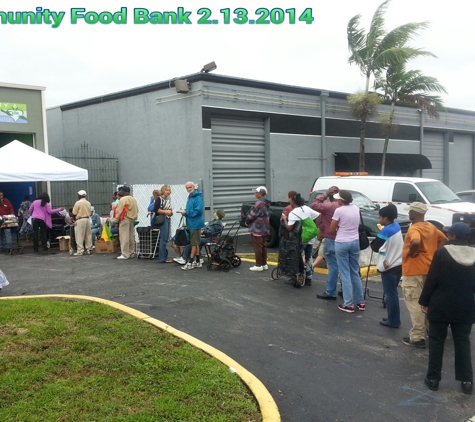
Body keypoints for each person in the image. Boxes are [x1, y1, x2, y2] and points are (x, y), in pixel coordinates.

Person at [419, 222, 475, 395]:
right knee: (463, 341)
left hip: (441, 304)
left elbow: (432, 280)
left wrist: (425, 301)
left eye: (449, 234)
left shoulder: (442, 253)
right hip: (465, 306)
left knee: (436, 341)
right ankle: (467, 381)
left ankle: (434, 379)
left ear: (453, 237)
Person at [401, 202, 446, 349]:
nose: (409, 214)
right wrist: (435, 254)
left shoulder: (415, 228)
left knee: (415, 303)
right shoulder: (431, 227)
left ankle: (417, 336)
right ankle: (432, 331)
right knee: (427, 303)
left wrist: (413, 252)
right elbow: (443, 238)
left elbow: (415, 241)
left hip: (414, 270)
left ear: (415, 213)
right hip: (429, 269)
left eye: (410, 212)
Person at [330, 190, 365, 313]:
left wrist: (339, 228)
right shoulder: (356, 208)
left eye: (338, 199)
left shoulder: (339, 211)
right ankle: (361, 302)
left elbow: (331, 228)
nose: (336, 201)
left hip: (342, 242)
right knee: (354, 272)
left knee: (345, 273)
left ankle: (348, 304)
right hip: (355, 242)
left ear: (341, 200)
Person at [370, 204, 403, 328]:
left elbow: (374, 246)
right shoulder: (396, 226)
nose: (379, 220)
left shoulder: (386, 230)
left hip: (389, 266)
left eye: (380, 218)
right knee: (393, 293)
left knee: (390, 295)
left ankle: (393, 321)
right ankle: (392, 317)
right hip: (398, 263)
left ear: (385, 218)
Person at [281, 193, 319, 287]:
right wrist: (316, 227)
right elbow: (319, 215)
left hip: (301, 238)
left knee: (297, 256)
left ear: (292, 201)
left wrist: (285, 219)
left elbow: (289, 228)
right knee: (309, 257)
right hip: (310, 237)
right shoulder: (306, 208)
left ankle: (299, 276)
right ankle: (309, 278)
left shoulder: (294, 213)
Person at [311, 186, 341, 300]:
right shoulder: (347, 207)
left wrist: (325, 194)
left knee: (333, 266)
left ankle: (331, 291)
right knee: (343, 266)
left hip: (331, 238)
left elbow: (314, 204)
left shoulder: (329, 206)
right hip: (345, 239)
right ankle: (344, 290)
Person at [245, 186, 270, 272]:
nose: (255, 194)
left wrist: (247, 221)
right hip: (264, 228)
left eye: (256, 193)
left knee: (258, 247)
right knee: (263, 246)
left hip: (257, 228)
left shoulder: (259, 203)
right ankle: (264, 264)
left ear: (260, 194)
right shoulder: (266, 203)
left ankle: (258, 265)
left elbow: (251, 215)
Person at [181, 182, 205, 270]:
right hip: (193, 222)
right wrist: (186, 212)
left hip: (195, 223)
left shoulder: (197, 198)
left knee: (193, 243)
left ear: (193, 187)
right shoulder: (191, 197)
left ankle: (190, 262)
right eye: (187, 188)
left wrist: (186, 212)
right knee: (196, 242)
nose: (188, 189)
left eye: (189, 187)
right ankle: (198, 261)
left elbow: (198, 211)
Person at [113, 186, 139, 260]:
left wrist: (116, 221)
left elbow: (119, 211)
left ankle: (125, 254)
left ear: (123, 192)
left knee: (124, 237)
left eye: (120, 191)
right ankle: (131, 252)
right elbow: (137, 209)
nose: (119, 192)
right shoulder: (133, 199)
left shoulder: (123, 199)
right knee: (131, 237)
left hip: (124, 219)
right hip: (132, 220)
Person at [153, 185, 173, 263]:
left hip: (168, 218)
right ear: (163, 191)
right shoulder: (159, 199)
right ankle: (162, 258)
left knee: (165, 238)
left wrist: (171, 212)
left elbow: (170, 210)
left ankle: (164, 256)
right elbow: (155, 209)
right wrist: (166, 212)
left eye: (169, 190)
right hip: (162, 220)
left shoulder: (168, 200)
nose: (168, 191)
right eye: (166, 190)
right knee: (163, 239)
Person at [72, 190, 93, 256]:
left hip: (80, 219)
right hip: (87, 219)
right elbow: (90, 213)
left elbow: (74, 213)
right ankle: (89, 249)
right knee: (88, 235)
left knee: (79, 235)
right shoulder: (88, 203)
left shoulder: (78, 203)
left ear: (79, 195)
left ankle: (80, 250)